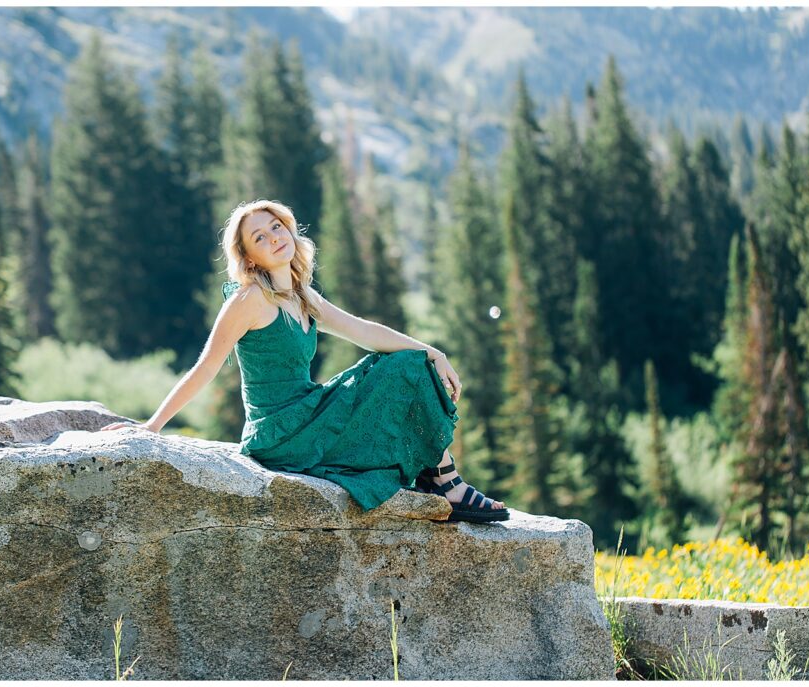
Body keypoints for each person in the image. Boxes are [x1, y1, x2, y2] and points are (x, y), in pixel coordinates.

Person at [100, 199, 508, 522]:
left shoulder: (301, 295)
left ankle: (439, 475)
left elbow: (363, 332)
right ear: (250, 259)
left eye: (275, 227)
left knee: (408, 362)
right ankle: (446, 481)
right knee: (401, 369)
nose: (274, 237)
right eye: (259, 237)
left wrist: (432, 353)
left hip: (308, 412)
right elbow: (207, 365)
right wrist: (152, 426)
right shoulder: (248, 299)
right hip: (279, 432)